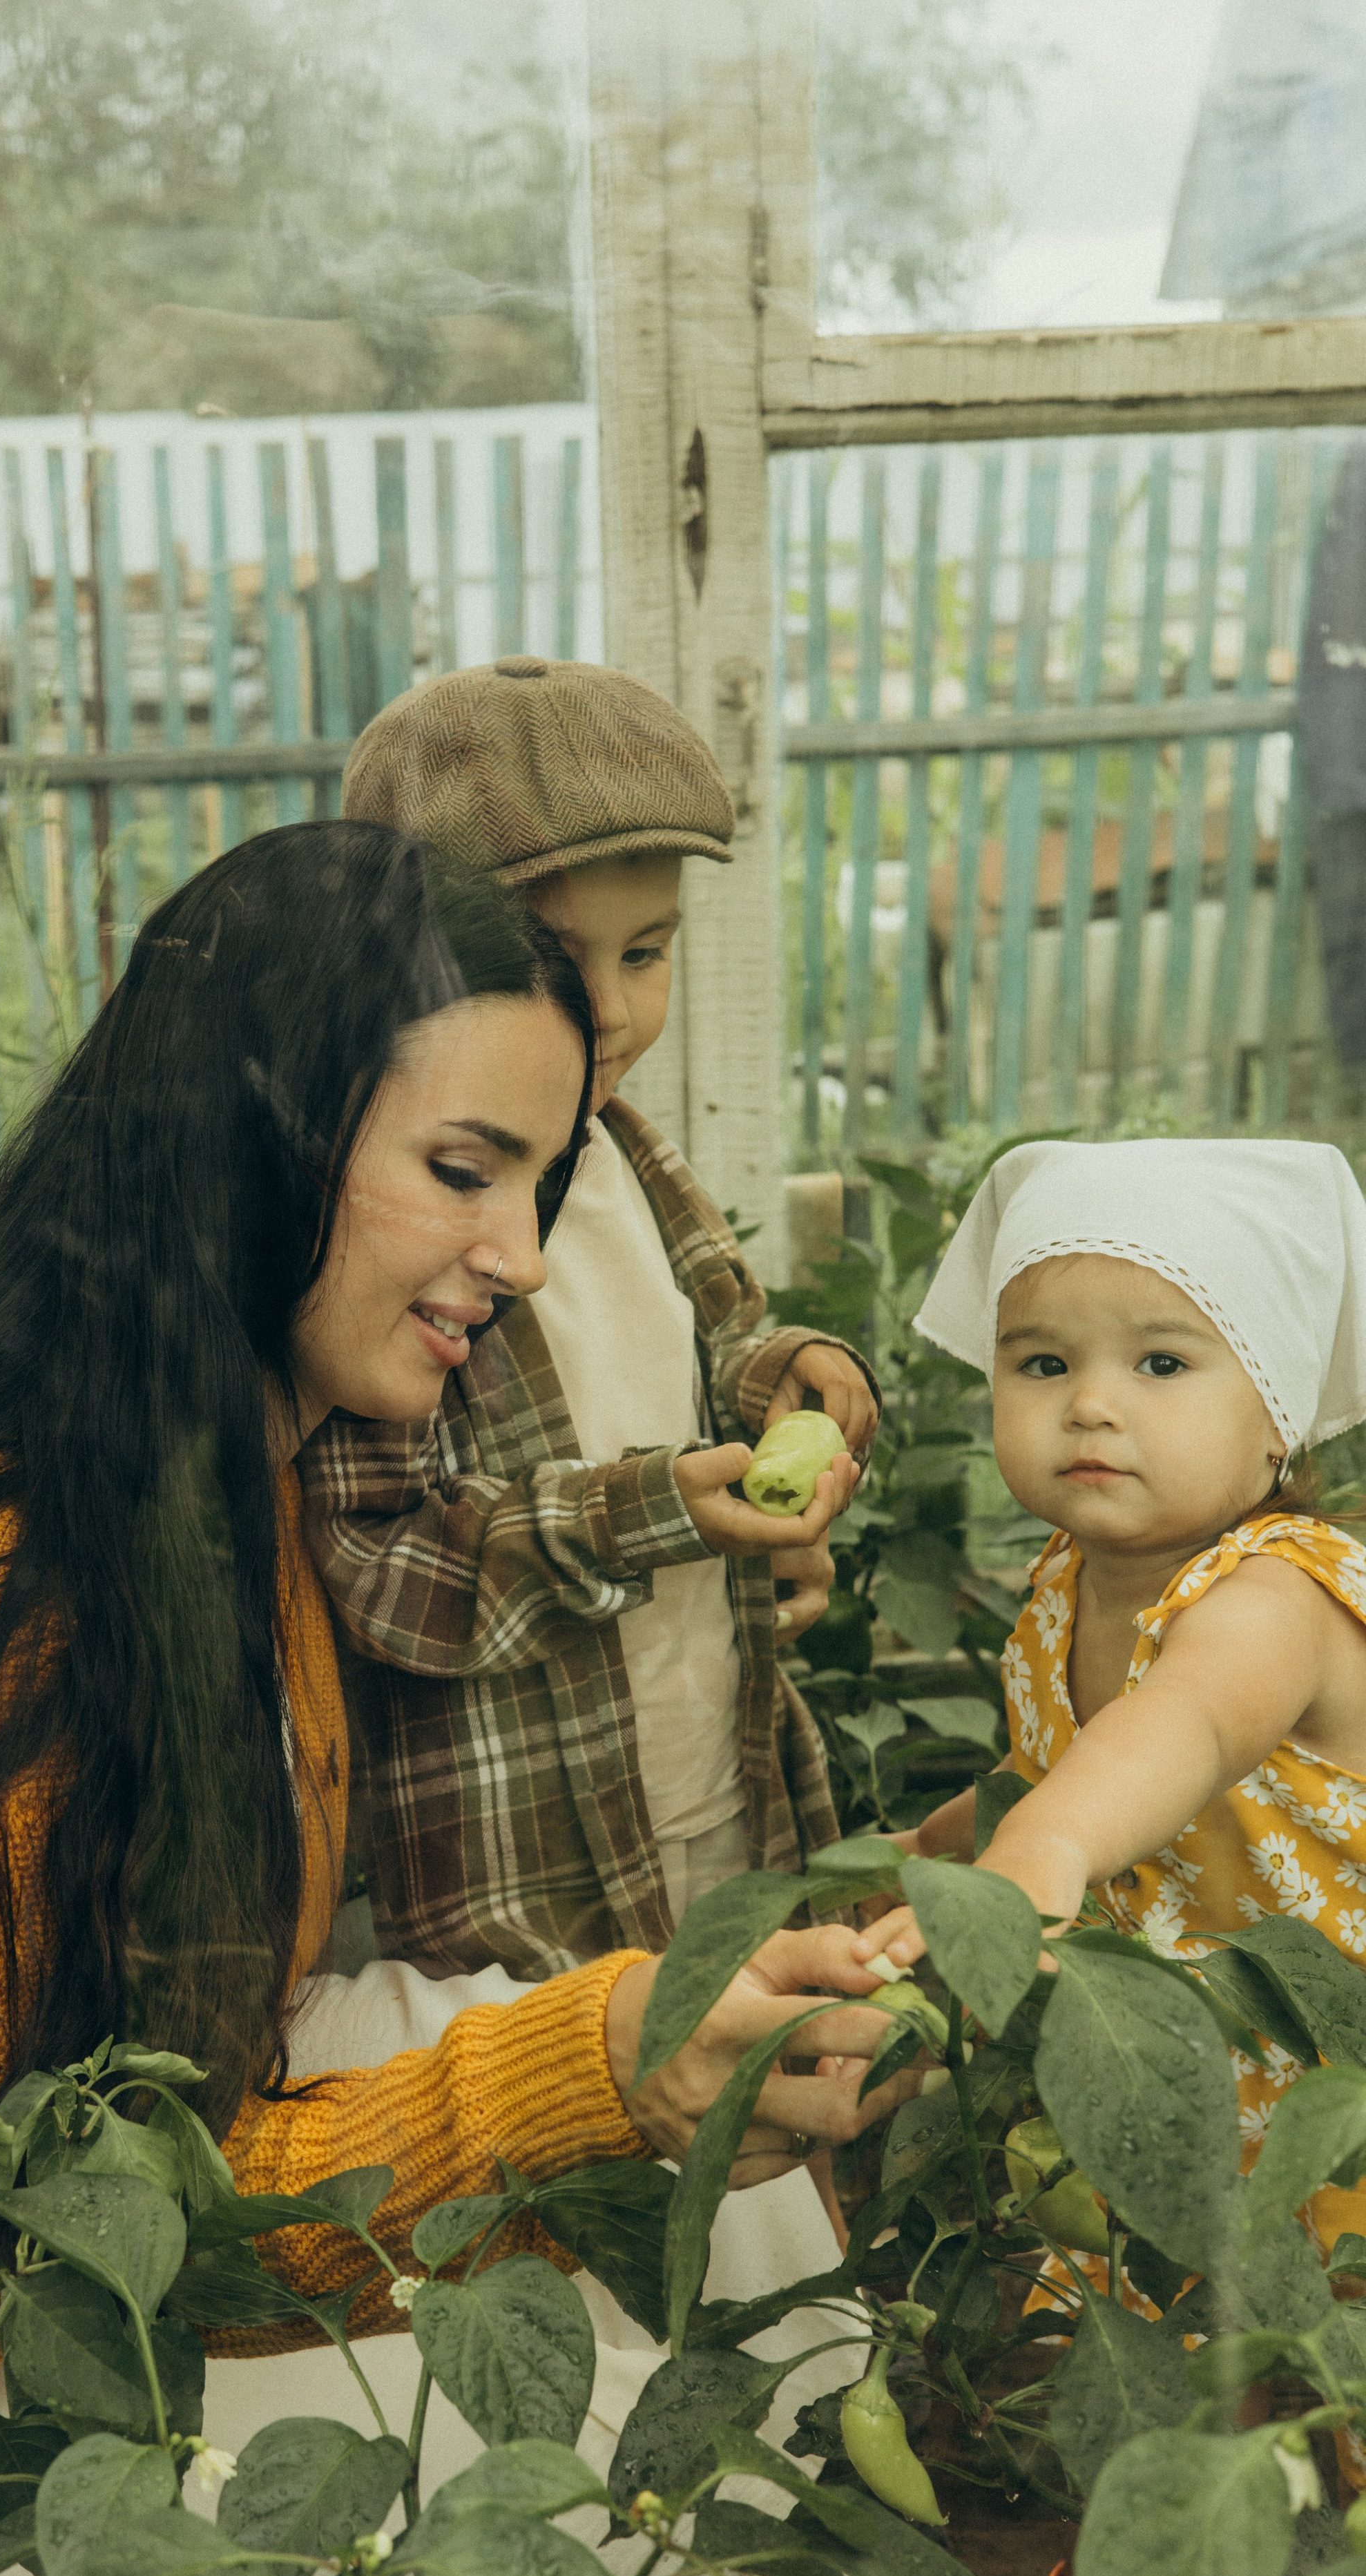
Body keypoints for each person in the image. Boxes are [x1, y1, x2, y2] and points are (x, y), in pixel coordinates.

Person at [0, 825, 905, 2381]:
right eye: (459, 1168)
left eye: (540, 1183)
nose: (524, 1258)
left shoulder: (236, 1474)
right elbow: (75, 2217)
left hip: (83, 2190)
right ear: (248, 1136)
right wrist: (590, 2080)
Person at [299, 659, 879, 1999]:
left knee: (753, 2125)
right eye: (554, 960)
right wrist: (656, 1510)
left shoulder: (619, 1146)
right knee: (576, 2158)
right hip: (526, 1853)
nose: (609, 1010)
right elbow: (379, 1573)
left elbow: (707, 1326)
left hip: (710, 1777)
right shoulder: (398, 1210)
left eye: (646, 953)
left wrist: (790, 1373)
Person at [855, 1135, 1366, 2260]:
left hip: (1327, 2094)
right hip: (1172, 2077)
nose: (1090, 1404)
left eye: (1162, 1366)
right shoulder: (1063, 1585)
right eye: (1042, 1365)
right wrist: (927, 1859)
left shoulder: (1277, 1595)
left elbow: (1178, 1726)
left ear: (1277, 1413)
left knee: (1304, 2369)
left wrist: (1038, 1856)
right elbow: (1044, 1781)